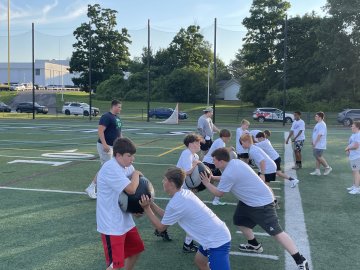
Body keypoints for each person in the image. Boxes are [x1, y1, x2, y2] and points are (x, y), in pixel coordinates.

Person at [200, 148, 309, 270]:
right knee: (240, 221)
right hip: (249, 201)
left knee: (277, 233)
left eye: (214, 160)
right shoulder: (236, 163)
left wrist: (207, 183)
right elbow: (227, 178)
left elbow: (219, 193)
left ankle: (301, 260)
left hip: (261, 203)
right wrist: (214, 178)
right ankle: (254, 245)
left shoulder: (229, 172)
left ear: (221, 161)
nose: (213, 162)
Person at [139, 167, 231, 270]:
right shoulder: (184, 193)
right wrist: (151, 204)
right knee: (200, 261)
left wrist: (146, 208)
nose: (162, 182)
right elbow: (168, 216)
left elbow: (161, 228)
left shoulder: (176, 203)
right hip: (210, 236)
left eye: (164, 179)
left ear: (172, 184)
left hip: (217, 240)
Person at [96, 137, 144, 270]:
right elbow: (131, 189)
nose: (132, 159)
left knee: (136, 249)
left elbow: (133, 193)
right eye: (129, 156)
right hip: (111, 224)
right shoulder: (111, 167)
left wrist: (135, 209)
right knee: (115, 265)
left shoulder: (127, 167)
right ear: (118, 155)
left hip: (124, 220)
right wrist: (136, 175)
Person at [86, 100, 123, 199]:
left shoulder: (117, 118)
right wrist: (105, 144)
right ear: (114, 106)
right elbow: (100, 131)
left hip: (114, 147)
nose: (120, 109)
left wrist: (122, 144)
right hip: (106, 146)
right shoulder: (106, 116)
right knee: (106, 168)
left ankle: (105, 188)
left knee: (112, 168)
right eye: (119, 107)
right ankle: (92, 187)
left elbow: (119, 133)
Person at [176, 133, 203, 252]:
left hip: (186, 190)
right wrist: (197, 164)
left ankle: (162, 229)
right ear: (191, 144)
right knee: (193, 217)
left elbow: (193, 176)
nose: (199, 144)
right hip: (180, 189)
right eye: (197, 142)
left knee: (187, 216)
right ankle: (187, 244)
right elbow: (186, 172)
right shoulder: (186, 153)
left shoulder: (194, 155)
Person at [240, 133, 279, 209]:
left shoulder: (253, 150)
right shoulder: (252, 148)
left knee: (264, 187)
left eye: (242, 143)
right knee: (262, 186)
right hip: (267, 167)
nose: (242, 145)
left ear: (247, 142)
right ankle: (272, 201)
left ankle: (273, 202)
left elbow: (262, 161)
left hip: (268, 168)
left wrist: (262, 174)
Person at [202, 129, 232, 205]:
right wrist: (230, 149)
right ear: (224, 137)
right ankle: (216, 200)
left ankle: (216, 199)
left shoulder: (220, 141)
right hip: (210, 163)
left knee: (221, 179)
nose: (229, 139)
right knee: (222, 179)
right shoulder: (220, 142)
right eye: (228, 138)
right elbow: (220, 154)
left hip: (211, 162)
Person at [310, 112, 332, 176]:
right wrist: (313, 141)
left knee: (318, 156)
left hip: (320, 144)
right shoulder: (318, 124)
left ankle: (327, 167)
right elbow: (315, 133)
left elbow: (320, 135)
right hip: (317, 143)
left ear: (320, 117)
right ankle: (317, 171)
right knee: (317, 157)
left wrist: (315, 142)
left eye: (316, 116)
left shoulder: (322, 124)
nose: (315, 117)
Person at [345, 121, 360, 194]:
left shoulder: (358, 135)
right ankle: (354, 186)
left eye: (353, 126)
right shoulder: (354, 134)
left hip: (357, 156)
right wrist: (348, 149)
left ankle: (357, 188)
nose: (351, 127)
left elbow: (356, 146)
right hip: (353, 156)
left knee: (356, 171)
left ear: (357, 127)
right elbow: (351, 144)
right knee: (354, 171)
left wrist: (348, 149)